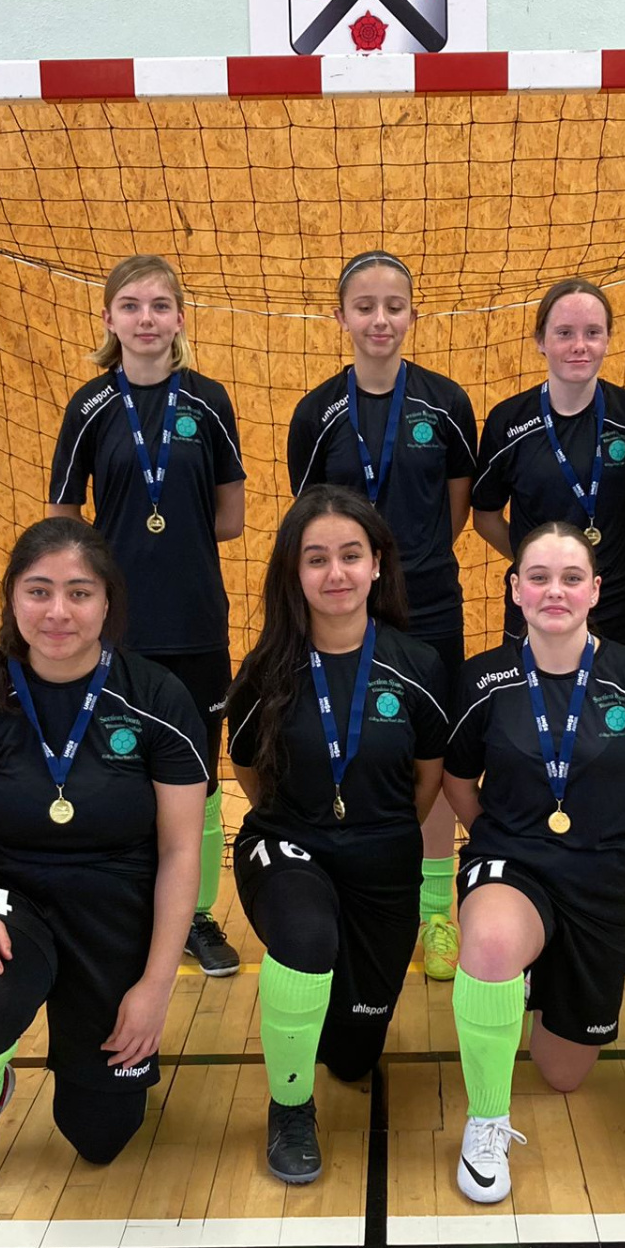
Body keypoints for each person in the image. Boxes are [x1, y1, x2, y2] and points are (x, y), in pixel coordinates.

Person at [0, 517, 208, 1191]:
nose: (57, 612)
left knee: (100, 1137)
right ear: (12, 599)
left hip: (117, 904)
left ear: (107, 603)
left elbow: (180, 852)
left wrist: (156, 987)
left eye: (79, 593)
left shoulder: (157, 698)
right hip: (13, 897)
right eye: (39, 590)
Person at [442, 524, 625, 1203]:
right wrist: (495, 838)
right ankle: (486, 1120)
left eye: (572, 578)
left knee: (563, 1075)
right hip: (510, 864)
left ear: (595, 590)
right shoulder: (485, 677)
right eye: (540, 577)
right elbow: (457, 781)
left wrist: (618, 849)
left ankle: (532, 976)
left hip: (597, 880)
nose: (556, 590)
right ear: (516, 589)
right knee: (493, 943)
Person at [226, 485, 449, 1182]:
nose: (336, 573)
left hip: (382, 857)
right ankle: (290, 1107)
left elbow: (427, 780)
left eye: (351, 555)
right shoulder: (266, 669)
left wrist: (373, 833)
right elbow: (246, 768)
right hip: (287, 842)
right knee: (304, 935)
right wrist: (307, 823)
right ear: (294, 572)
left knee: (353, 1055)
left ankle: (323, 1015)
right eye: (316, 558)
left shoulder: (418, 666)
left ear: (377, 563)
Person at [50, 254, 246, 979]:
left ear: (179, 319)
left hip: (195, 622)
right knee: (118, 770)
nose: (146, 319)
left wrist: (170, 535)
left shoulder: (209, 401)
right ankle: (126, 907)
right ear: (109, 318)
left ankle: (196, 915)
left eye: (160, 306)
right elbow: (62, 521)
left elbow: (231, 518)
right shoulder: (89, 406)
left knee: (198, 777)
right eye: (131, 306)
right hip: (117, 630)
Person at [288, 250, 478, 982]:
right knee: (347, 739)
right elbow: (311, 521)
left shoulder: (446, 402)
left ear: (412, 314)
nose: (379, 319)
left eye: (393, 306)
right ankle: (338, 885)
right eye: (364, 306)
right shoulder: (317, 412)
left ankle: (434, 910)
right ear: (340, 316)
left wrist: (405, 566)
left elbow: (456, 508)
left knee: (431, 751)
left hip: (429, 604)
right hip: (345, 608)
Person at [473, 276, 625, 978]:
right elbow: (485, 514)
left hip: (617, 609)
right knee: (534, 753)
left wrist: (591, 570)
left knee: (613, 763)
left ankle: (616, 913)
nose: (579, 345)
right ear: (541, 341)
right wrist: (543, 575)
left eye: (592, 332)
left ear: (608, 340)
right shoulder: (509, 420)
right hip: (538, 616)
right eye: (564, 332)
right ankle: (527, 901)